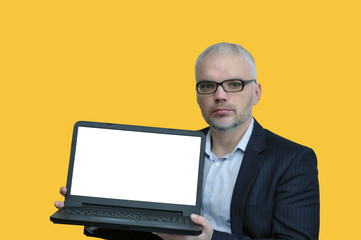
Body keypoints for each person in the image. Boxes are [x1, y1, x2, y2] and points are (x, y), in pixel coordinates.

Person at [55, 42, 320, 240]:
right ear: (198, 96)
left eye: (234, 84)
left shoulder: (293, 160)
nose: (220, 95)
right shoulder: (172, 154)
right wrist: (92, 215)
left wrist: (209, 239)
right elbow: (148, 229)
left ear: (257, 93)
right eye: (207, 86)